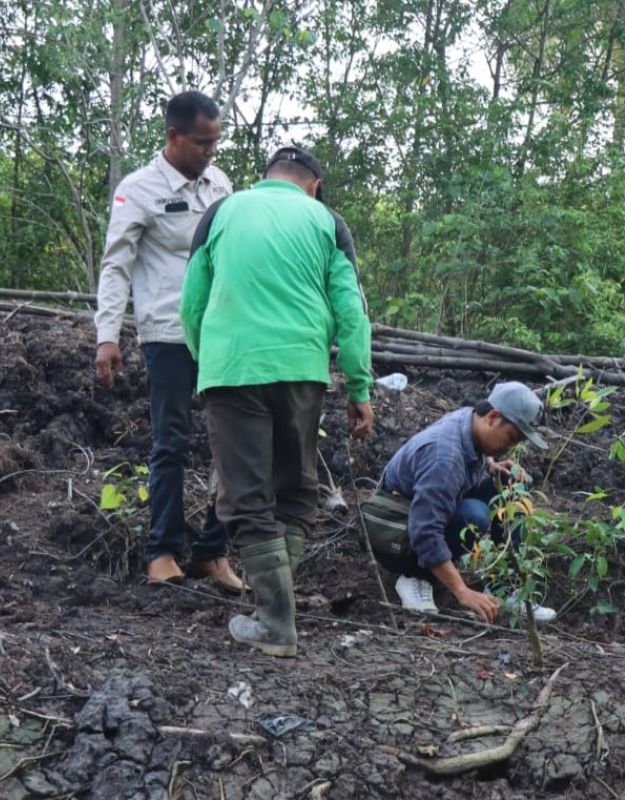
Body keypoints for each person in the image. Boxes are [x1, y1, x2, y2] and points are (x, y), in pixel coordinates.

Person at [180, 145, 374, 658]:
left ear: (266, 178)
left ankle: (274, 621)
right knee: (293, 492)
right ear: (313, 185)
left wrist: (209, 362)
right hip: (302, 371)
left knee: (246, 496)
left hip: (232, 368)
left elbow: (192, 302)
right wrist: (359, 387)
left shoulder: (222, 211)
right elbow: (352, 311)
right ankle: (278, 612)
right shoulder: (327, 222)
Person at [94, 90, 243, 592]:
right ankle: (162, 550)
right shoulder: (138, 189)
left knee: (234, 442)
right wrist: (107, 336)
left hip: (222, 333)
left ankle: (211, 552)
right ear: (173, 136)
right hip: (168, 333)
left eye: (216, 142)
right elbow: (117, 264)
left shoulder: (220, 184)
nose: (210, 152)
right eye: (202, 142)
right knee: (171, 443)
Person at [362, 382, 558, 623]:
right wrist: (462, 591)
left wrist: (492, 466)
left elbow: (472, 457)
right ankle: (416, 577)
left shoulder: (469, 420)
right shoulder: (445, 458)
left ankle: (504, 588)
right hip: (397, 531)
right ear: (493, 417)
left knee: (511, 486)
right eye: (512, 437)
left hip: (421, 514)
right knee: (474, 516)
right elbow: (425, 531)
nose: (512, 446)